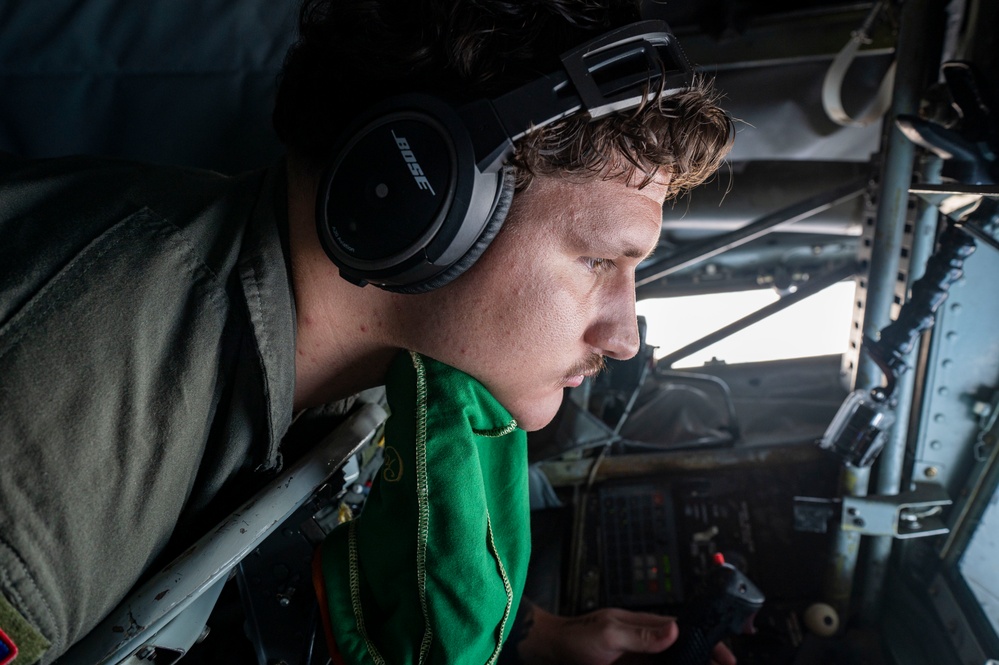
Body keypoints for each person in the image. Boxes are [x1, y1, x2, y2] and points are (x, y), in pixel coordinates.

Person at [0, 0, 732, 663]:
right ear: (424, 196)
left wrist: (533, 636)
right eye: (600, 259)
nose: (623, 337)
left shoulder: (337, 355)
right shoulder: (60, 431)